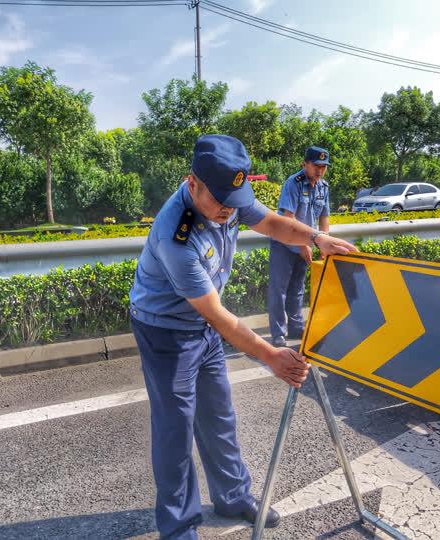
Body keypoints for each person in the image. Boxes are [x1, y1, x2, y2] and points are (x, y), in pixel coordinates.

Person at [128, 135, 356, 539]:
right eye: (219, 203)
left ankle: (232, 496)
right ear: (192, 183)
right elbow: (217, 315)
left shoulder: (226, 198)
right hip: (164, 330)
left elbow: (270, 222)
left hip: (201, 325)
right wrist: (271, 355)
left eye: (233, 202)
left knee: (218, 414)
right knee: (175, 429)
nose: (227, 211)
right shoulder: (175, 237)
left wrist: (316, 238)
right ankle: (179, 527)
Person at [267, 146, 331, 347]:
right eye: (316, 166)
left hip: (307, 243)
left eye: (324, 166)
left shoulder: (324, 187)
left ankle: (296, 327)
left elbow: (324, 218)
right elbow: (288, 218)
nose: (320, 170)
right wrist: (305, 244)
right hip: (284, 242)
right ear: (305, 164)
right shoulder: (293, 183)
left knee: (297, 288)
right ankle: (278, 333)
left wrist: (325, 243)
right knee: (279, 289)